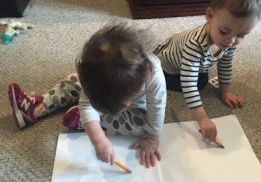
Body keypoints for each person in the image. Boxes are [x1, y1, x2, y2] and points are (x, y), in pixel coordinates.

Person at [8, 24, 167, 168]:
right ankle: (35, 108)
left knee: (144, 125)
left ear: (146, 75)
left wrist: (152, 138)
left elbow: (157, 106)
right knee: (72, 80)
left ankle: (87, 120)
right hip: (105, 92)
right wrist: (98, 140)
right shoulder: (95, 73)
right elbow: (87, 102)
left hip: (137, 105)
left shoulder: (154, 75)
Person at [155, 0, 261, 143]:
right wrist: (202, 118)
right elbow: (188, 84)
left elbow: (225, 64)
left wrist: (226, 92)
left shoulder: (229, 40)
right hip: (168, 65)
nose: (231, 41)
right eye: (224, 31)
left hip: (189, 58)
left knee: (203, 75)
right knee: (199, 82)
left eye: (241, 35)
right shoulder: (194, 44)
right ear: (209, 15)